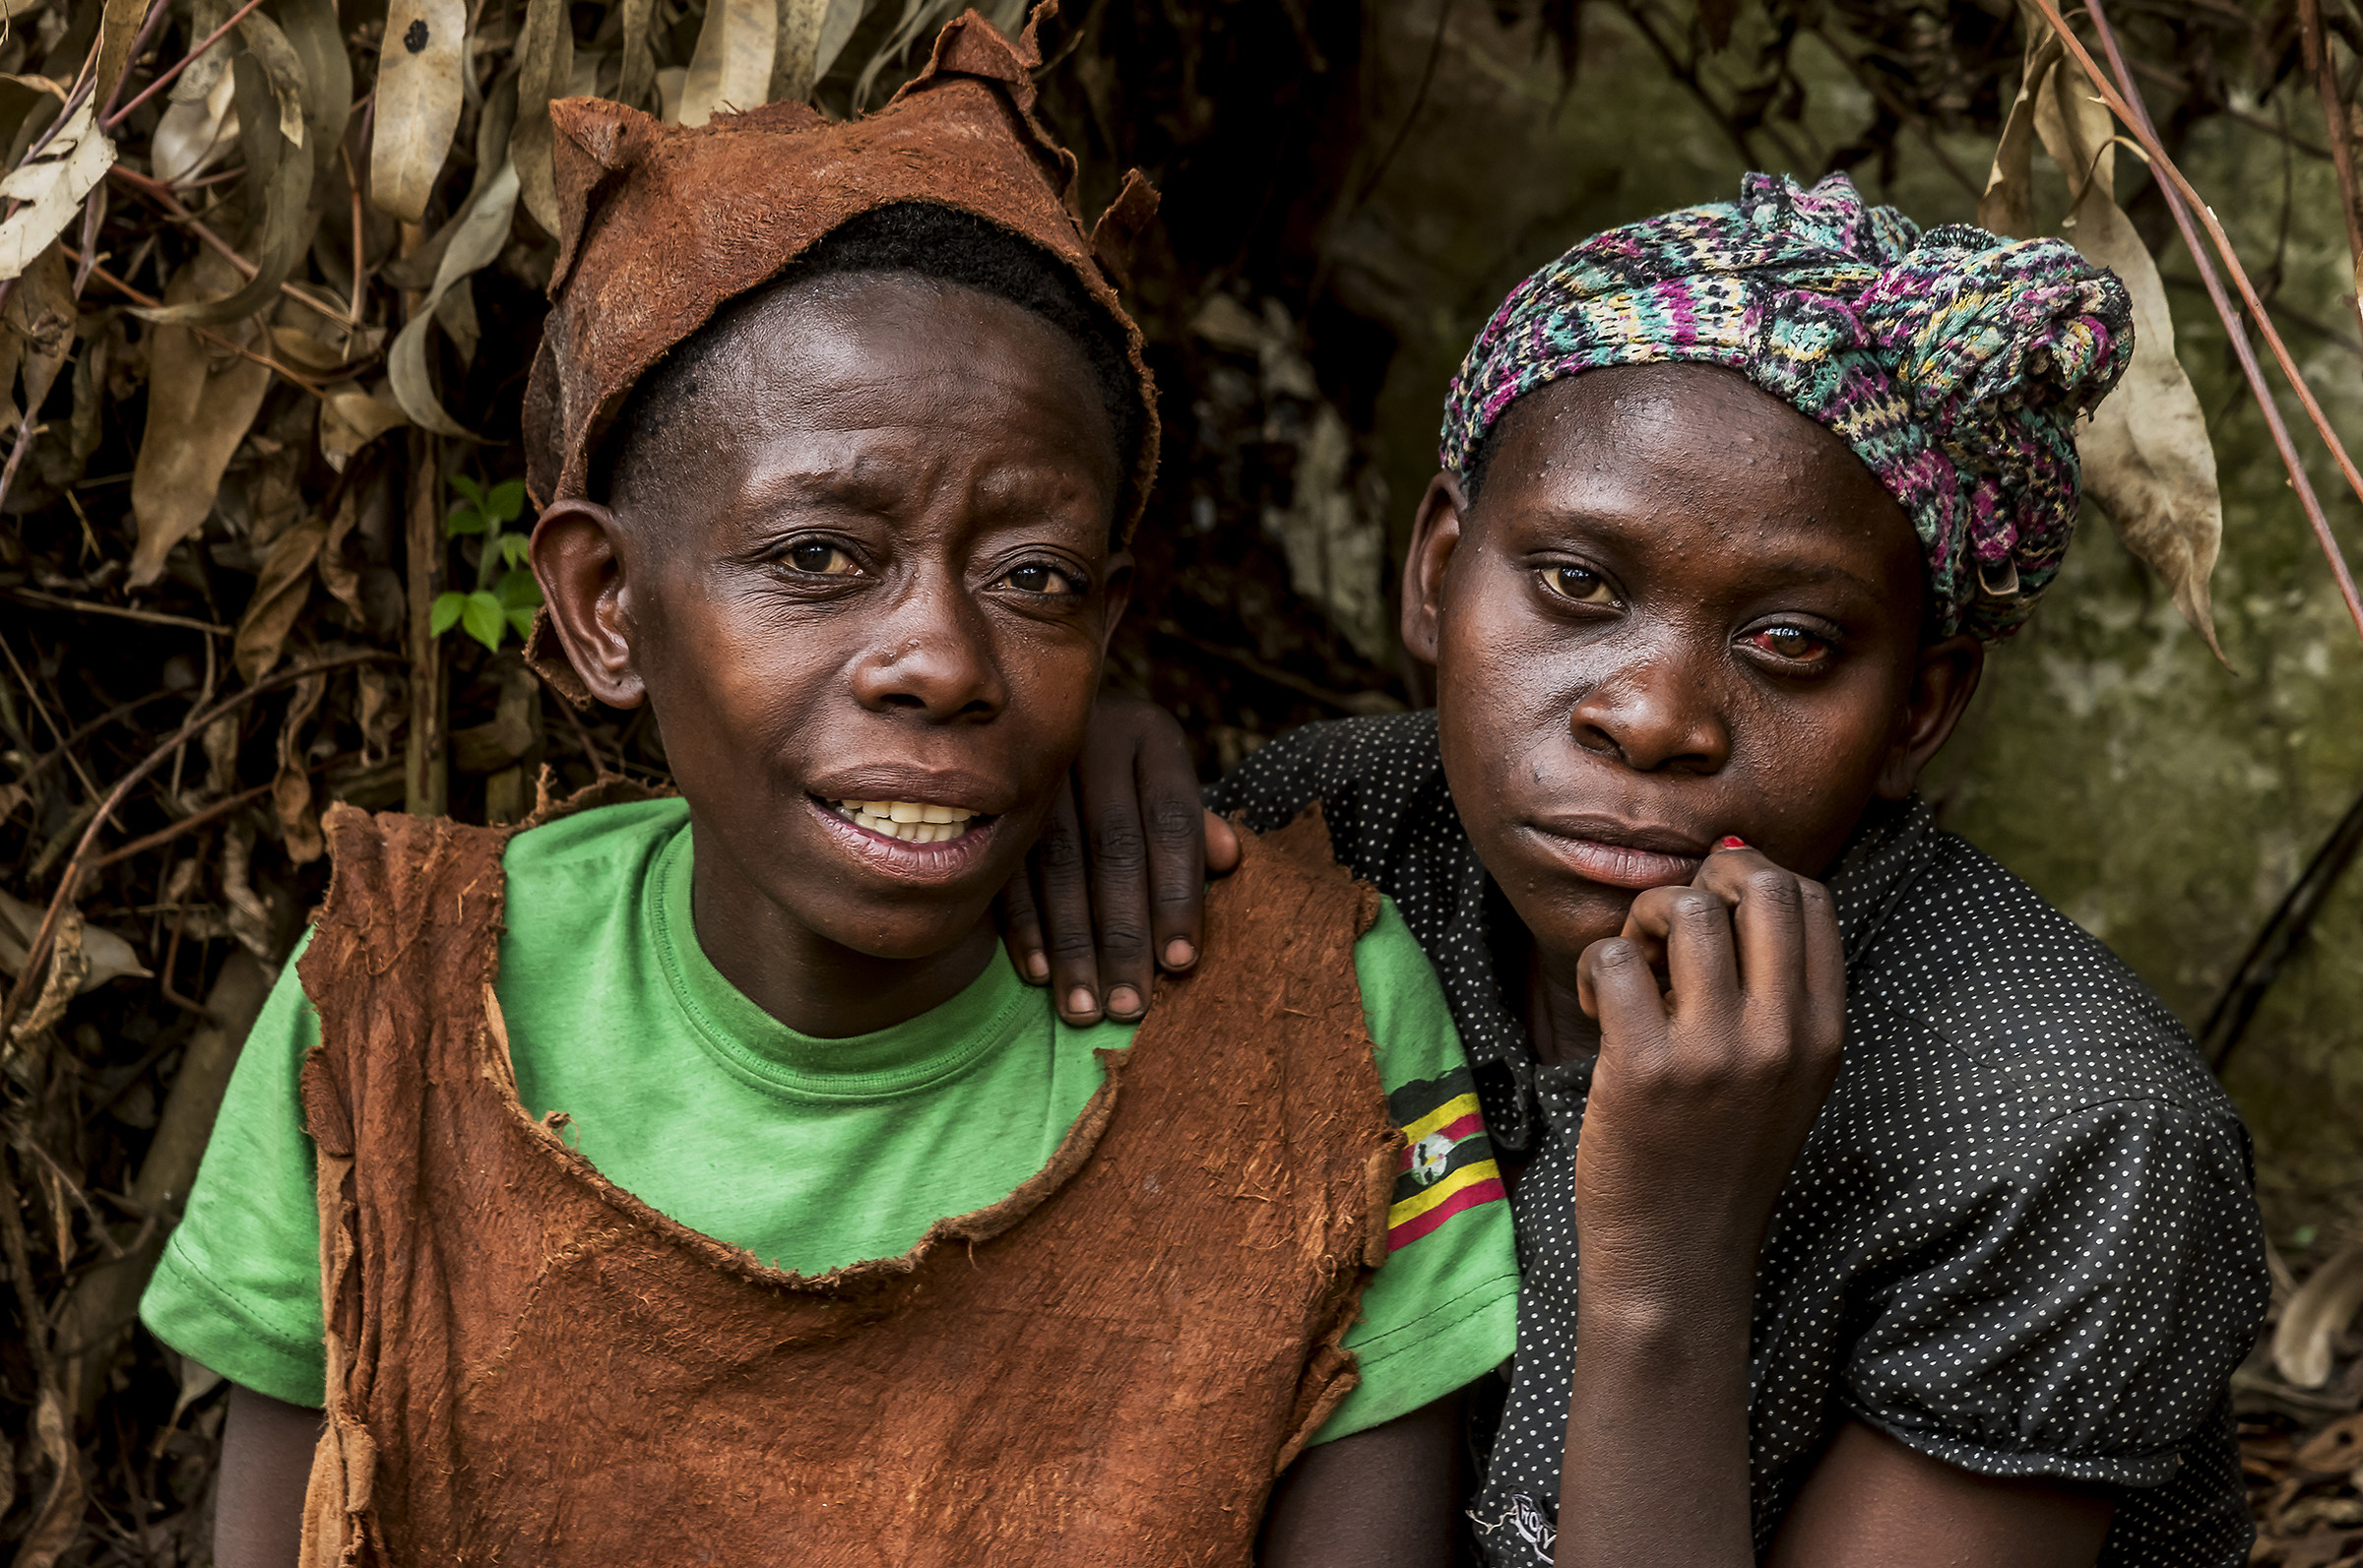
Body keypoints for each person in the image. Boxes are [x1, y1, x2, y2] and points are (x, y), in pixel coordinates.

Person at [137, 16, 1519, 1566]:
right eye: (816, 559)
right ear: (604, 603)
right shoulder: (397, 1012)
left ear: (1107, 625)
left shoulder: (1304, 1028)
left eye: (1033, 575)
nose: (938, 656)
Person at [1007, 173, 2271, 1567]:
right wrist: (1045, 751)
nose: (1655, 714)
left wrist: (1666, 1260)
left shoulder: (2062, 1134)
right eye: (1576, 586)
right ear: (1437, 574)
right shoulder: (1343, 836)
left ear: (1918, 705)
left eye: (1790, 641)